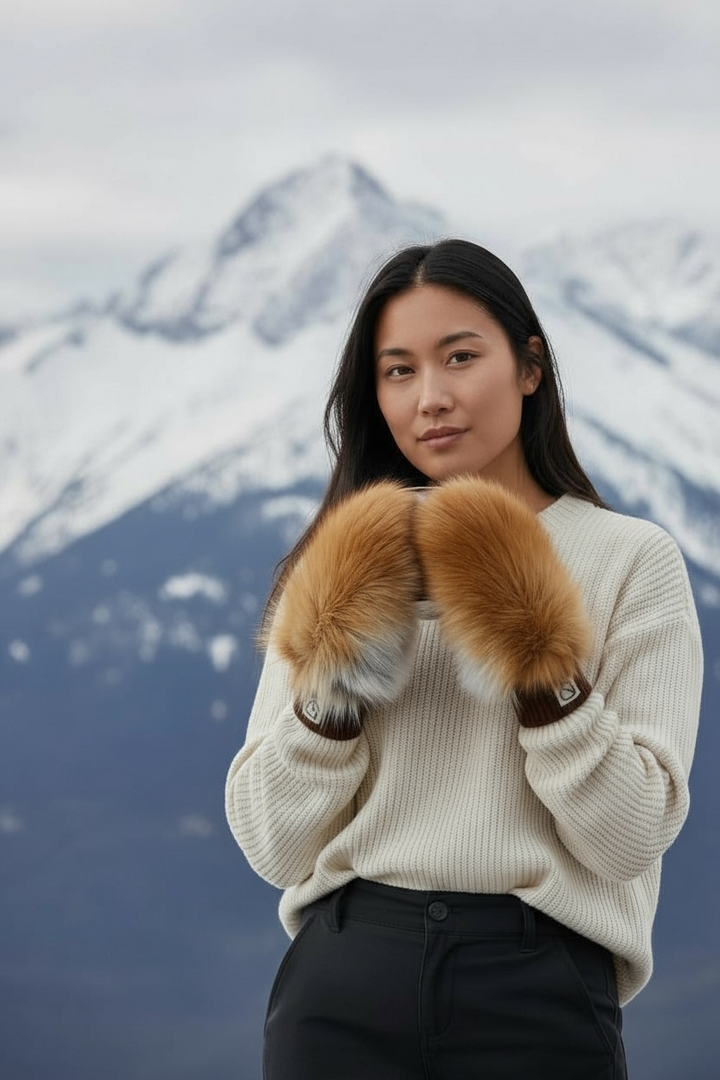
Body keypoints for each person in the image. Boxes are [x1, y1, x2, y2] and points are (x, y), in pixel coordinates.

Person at [225, 239, 703, 1080]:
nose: (431, 398)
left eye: (460, 357)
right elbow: (271, 840)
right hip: (344, 981)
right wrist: (340, 672)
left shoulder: (632, 559)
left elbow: (629, 838)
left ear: (529, 367)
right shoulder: (340, 558)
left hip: (540, 984)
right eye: (398, 370)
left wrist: (535, 654)